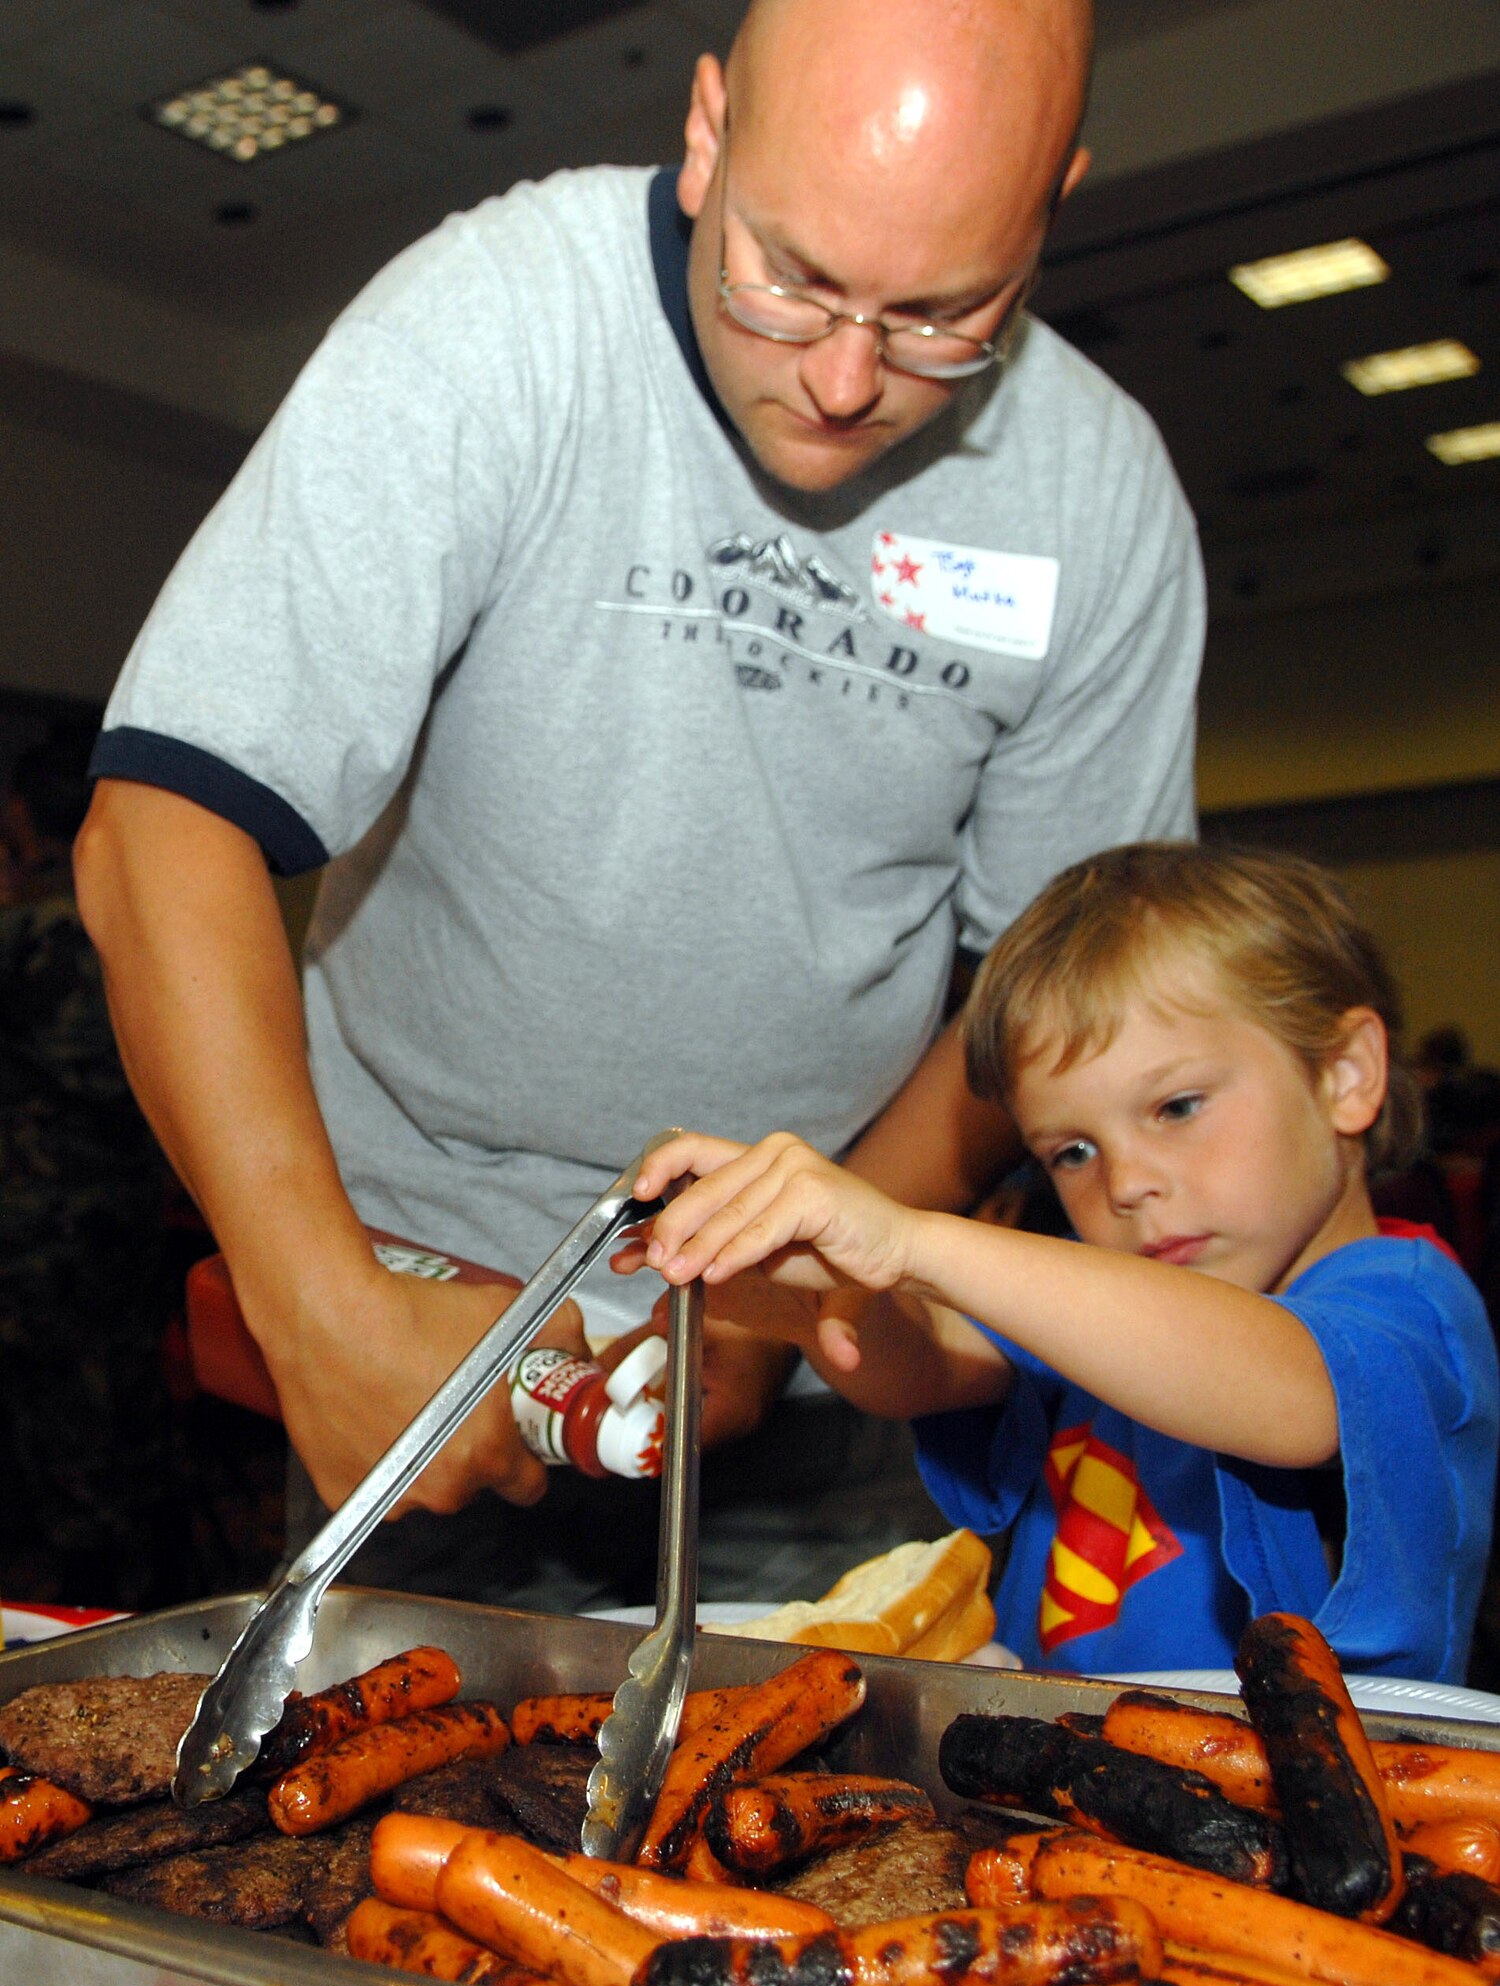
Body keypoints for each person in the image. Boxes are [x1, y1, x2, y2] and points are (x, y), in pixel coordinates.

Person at [73, 0, 1203, 1608]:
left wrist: (788, 1280)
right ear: (706, 131)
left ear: (1054, 208)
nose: (842, 377)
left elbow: (1052, 1007)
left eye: (944, 315)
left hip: (826, 1362)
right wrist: (315, 1293)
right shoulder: (500, 320)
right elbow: (161, 828)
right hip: (427, 1291)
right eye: (789, 277)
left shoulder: (1099, 491)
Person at [627, 844, 1499, 1679]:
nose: (1126, 1182)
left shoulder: (1409, 1304)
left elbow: (1294, 1394)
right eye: (1072, 1151)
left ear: (1346, 1075)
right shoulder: (1104, 1290)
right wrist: (812, 1293)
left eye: (1177, 1106)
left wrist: (912, 1239)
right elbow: (926, 1361)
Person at [1, 723, 178, 1608]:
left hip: (35, 1239)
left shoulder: (23, 939)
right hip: (128, 1223)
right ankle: (147, 1603)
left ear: (24, 818)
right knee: (127, 1424)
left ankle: (80, 1621)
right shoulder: (147, 931)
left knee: (64, 1444)